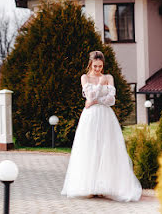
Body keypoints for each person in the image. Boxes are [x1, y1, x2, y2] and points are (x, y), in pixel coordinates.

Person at [61, 51, 142, 202]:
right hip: (90, 117)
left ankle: (105, 186)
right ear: (90, 64)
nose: (98, 69)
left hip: (106, 116)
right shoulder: (85, 77)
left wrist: (96, 99)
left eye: (100, 66)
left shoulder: (109, 77)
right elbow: (90, 97)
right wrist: (99, 85)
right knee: (91, 147)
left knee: (107, 148)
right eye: (95, 66)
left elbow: (111, 100)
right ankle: (90, 186)